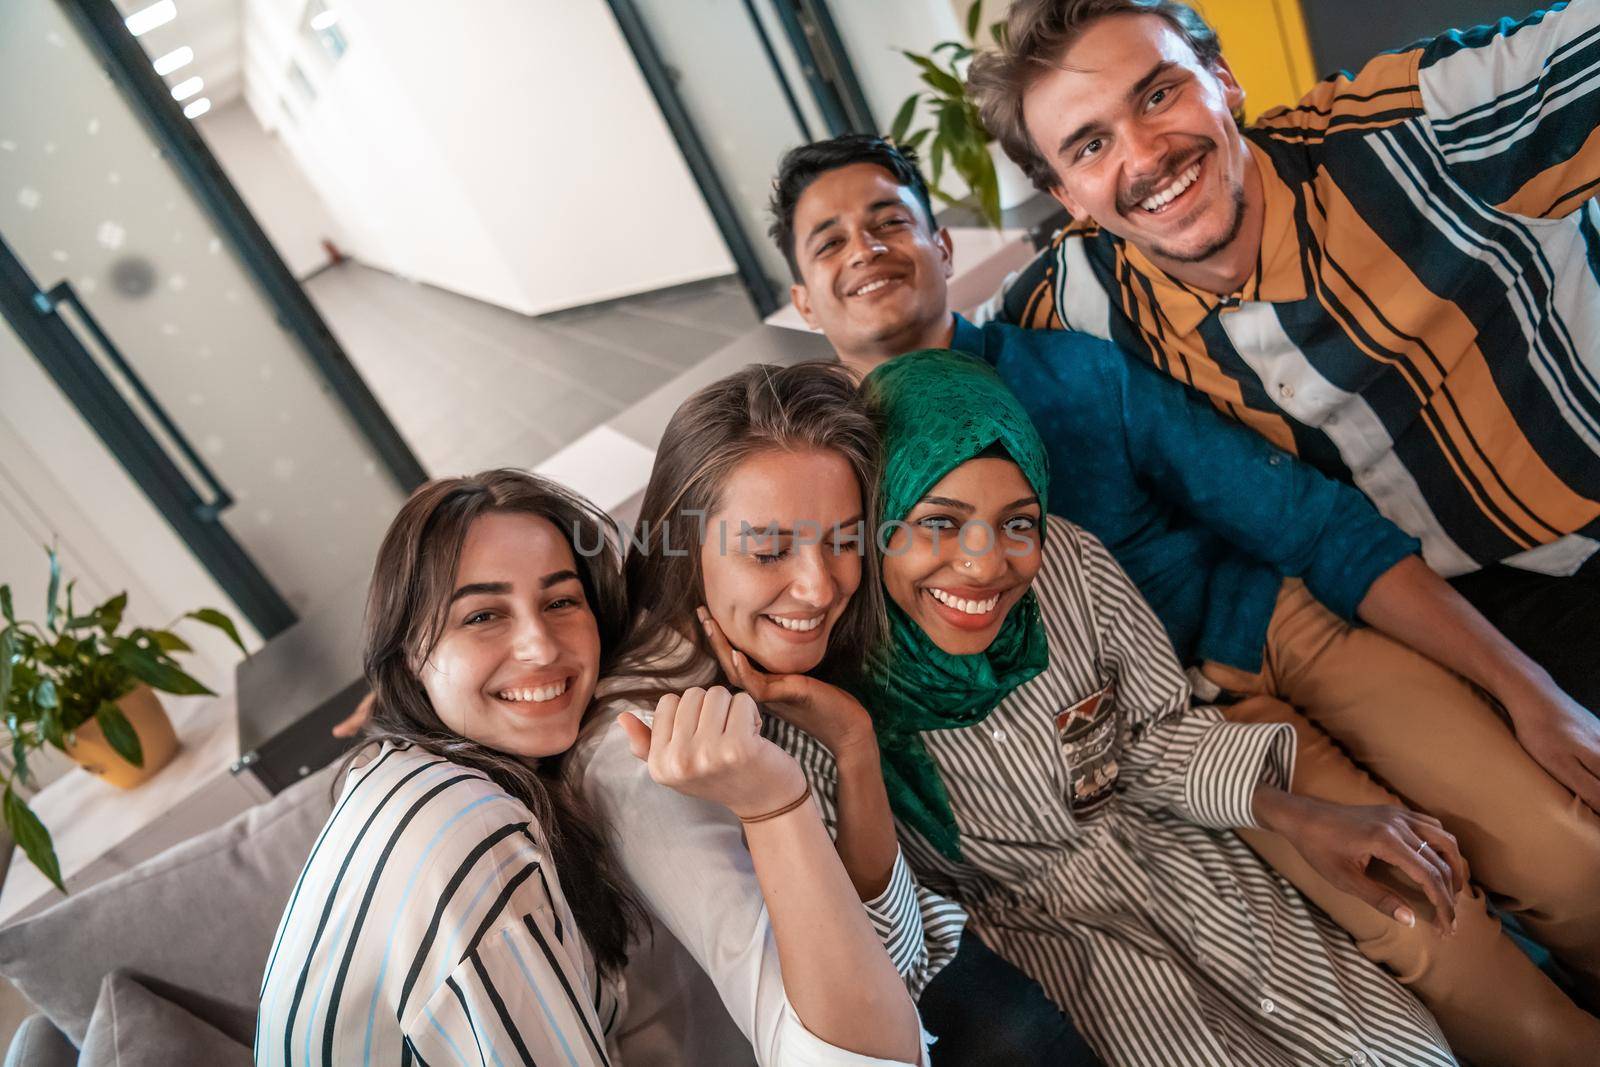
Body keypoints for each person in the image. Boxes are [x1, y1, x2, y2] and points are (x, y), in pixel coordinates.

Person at [766, 132, 1600, 1062]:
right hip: (1139, 743)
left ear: (943, 243)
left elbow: (1306, 519)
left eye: (890, 221)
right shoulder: (824, 466)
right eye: (829, 242)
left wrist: (1529, 688)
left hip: (1266, 626)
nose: (867, 250)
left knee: (1567, 856)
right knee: (1420, 920)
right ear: (801, 298)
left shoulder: (1069, 371)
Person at [965, 0, 1600, 708]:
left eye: (1159, 94)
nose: (1145, 156)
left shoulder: (1419, 129)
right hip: (1458, 618)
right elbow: (931, 358)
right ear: (1065, 195)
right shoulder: (1074, 302)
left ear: (1224, 79)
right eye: (1090, 146)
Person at [849, 347, 1457, 1065]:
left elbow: (1148, 738)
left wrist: (1303, 815)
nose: (985, 563)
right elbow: (883, 923)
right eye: (940, 522)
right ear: (877, 518)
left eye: (1018, 522)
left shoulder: (1071, 566)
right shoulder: (837, 687)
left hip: (1192, 874)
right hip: (1038, 961)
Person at [256, 469, 928, 1066]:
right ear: (407, 657)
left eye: (560, 600)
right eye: (483, 614)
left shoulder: (433, 772)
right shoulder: (480, 828)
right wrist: (777, 802)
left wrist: (852, 746)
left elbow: (889, 961)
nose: (540, 644)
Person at [574, 362, 1103, 1065]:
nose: (821, 586)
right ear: (683, 543)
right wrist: (773, 802)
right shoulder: (637, 757)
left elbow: (898, 943)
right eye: (767, 550)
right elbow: (851, 1043)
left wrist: (853, 745)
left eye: (846, 540)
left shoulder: (764, 666)